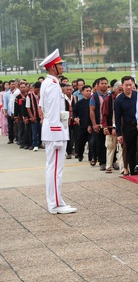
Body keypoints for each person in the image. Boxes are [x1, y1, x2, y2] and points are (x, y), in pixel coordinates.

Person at [39, 49, 77, 214]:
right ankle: (55, 204)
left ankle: (56, 200)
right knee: (55, 170)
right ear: (53, 67)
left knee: (54, 169)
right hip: (54, 130)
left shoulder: (48, 83)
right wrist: (56, 133)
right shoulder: (53, 85)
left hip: (53, 128)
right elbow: (53, 111)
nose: (62, 66)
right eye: (60, 64)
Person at [115, 76, 138, 177]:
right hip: (128, 126)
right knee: (130, 148)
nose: (128, 87)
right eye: (126, 85)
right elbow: (117, 117)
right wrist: (119, 133)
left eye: (130, 85)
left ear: (133, 84)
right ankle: (132, 170)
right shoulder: (119, 100)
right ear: (122, 86)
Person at [102, 81, 122, 174]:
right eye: (119, 90)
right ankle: (108, 166)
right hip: (110, 127)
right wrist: (105, 127)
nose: (121, 92)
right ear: (114, 89)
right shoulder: (109, 99)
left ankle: (123, 168)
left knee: (122, 148)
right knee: (110, 147)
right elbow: (104, 114)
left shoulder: (124, 98)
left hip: (122, 128)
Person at [90, 77, 109, 170]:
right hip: (99, 123)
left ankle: (112, 161)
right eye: (102, 83)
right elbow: (92, 110)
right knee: (100, 143)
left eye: (106, 83)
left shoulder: (110, 95)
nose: (104, 85)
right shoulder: (94, 96)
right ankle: (102, 162)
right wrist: (94, 124)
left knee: (110, 144)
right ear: (98, 85)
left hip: (108, 124)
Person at [73, 85, 93, 163]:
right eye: (86, 91)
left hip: (91, 125)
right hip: (82, 125)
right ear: (82, 92)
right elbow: (75, 112)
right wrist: (75, 118)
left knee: (91, 143)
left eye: (89, 91)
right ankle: (80, 154)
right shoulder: (79, 103)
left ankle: (91, 157)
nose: (88, 92)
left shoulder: (92, 101)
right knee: (81, 142)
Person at [26, 82, 42, 151]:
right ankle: (35, 144)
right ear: (34, 88)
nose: (38, 91)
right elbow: (28, 107)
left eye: (39, 90)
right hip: (34, 117)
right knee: (34, 131)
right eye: (37, 89)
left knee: (41, 131)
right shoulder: (29, 96)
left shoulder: (41, 95)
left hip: (40, 116)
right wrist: (31, 116)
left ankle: (40, 143)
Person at [63, 84, 77, 158]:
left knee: (76, 135)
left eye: (70, 89)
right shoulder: (62, 99)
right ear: (64, 91)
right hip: (66, 120)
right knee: (68, 136)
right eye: (67, 90)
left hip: (74, 119)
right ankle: (69, 151)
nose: (69, 91)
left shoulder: (75, 98)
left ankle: (76, 151)